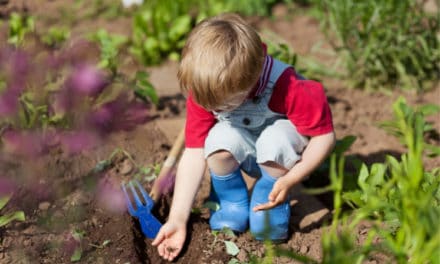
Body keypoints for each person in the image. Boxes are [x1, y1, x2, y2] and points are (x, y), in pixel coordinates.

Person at [152, 13, 335, 261]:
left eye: (224, 105)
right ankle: (231, 204)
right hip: (246, 146)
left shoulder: (288, 86)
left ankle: (269, 200)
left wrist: (291, 179)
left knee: (275, 140)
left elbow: (324, 137)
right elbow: (194, 152)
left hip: (282, 158)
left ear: (251, 80)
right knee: (215, 141)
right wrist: (177, 218)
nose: (217, 110)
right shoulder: (208, 90)